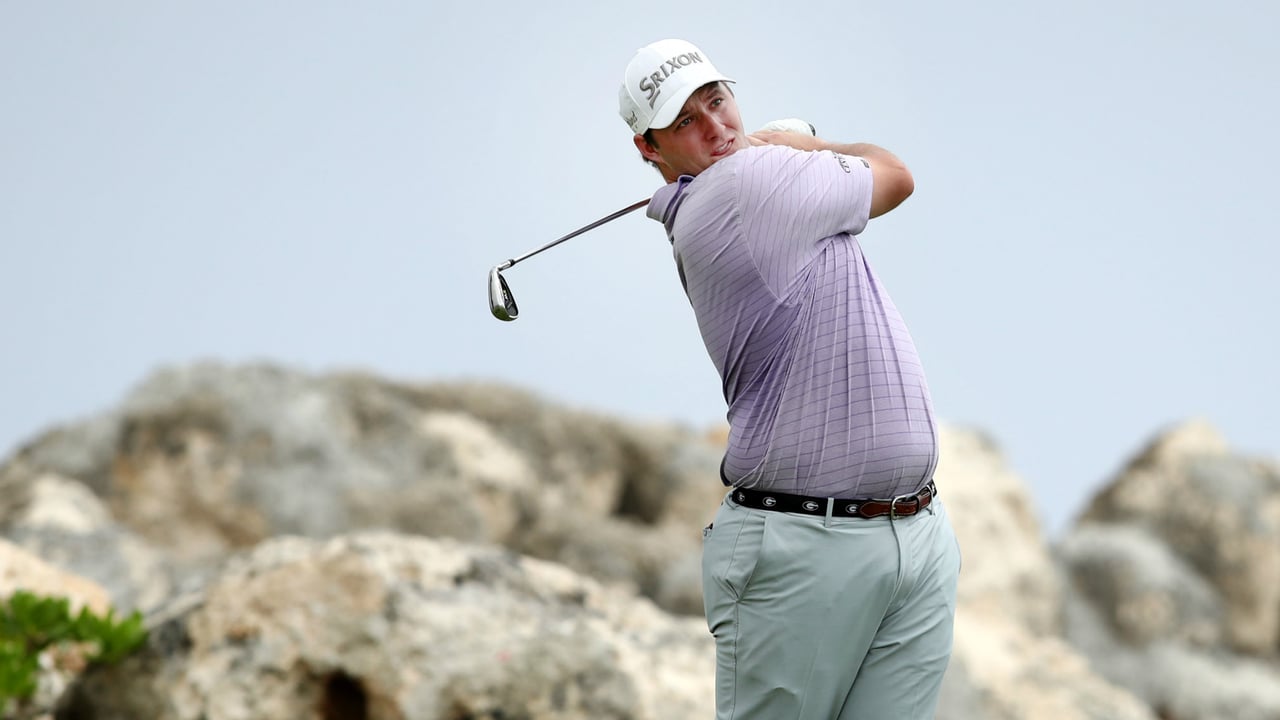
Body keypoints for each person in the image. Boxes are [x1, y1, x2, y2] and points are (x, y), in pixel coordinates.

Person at [618, 38, 962, 719]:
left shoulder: (754, 180)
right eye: (686, 121)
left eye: (717, 101)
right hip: (803, 552)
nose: (716, 127)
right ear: (649, 149)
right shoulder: (743, 189)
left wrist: (785, 152)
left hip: (915, 534)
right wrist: (803, 145)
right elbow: (894, 174)